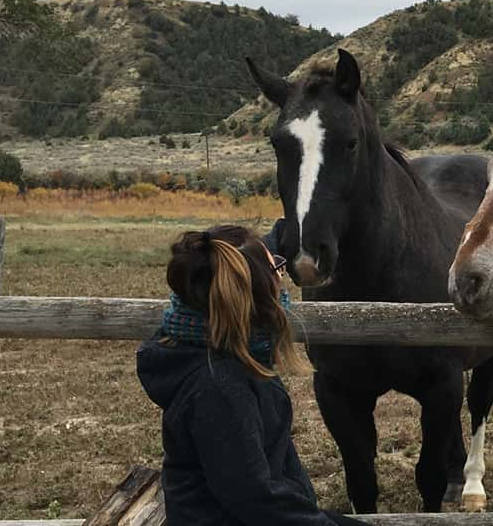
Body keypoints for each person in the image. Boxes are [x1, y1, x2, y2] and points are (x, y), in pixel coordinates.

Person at [137, 224, 365, 525]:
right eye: (277, 269)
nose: (282, 279)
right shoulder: (219, 388)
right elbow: (256, 500)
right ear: (257, 293)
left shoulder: (227, 357)